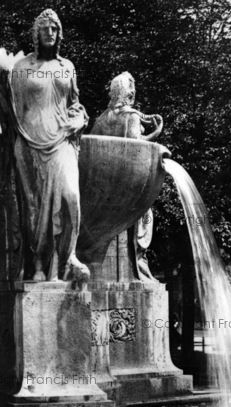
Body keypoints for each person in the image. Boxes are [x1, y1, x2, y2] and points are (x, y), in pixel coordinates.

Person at [9, 9, 90, 282]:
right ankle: (42, 265)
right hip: (31, 141)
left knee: (70, 197)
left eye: (54, 29)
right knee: (35, 209)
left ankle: (67, 256)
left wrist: (78, 120)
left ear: (59, 33)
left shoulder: (67, 67)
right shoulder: (22, 68)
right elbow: (13, 109)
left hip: (62, 140)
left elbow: (75, 104)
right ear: (36, 34)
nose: (50, 33)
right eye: (44, 28)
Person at [90, 72, 163, 281]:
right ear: (128, 93)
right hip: (127, 187)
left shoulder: (102, 119)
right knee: (146, 216)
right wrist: (155, 134)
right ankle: (139, 264)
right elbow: (135, 149)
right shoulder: (130, 116)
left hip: (104, 189)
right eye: (132, 90)